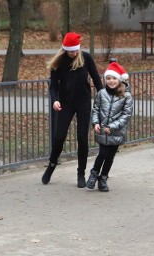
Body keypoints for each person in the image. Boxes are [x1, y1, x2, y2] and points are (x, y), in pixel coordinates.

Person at [43, 32, 104, 187]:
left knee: (82, 138)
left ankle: (81, 173)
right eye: (72, 51)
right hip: (66, 103)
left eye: (76, 50)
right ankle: (51, 166)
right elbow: (53, 87)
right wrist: (55, 100)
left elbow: (96, 78)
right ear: (65, 50)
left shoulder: (85, 58)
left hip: (83, 102)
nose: (75, 53)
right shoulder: (59, 63)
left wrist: (103, 95)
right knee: (59, 137)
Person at [86, 62, 134, 192]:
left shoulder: (126, 96)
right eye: (108, 78)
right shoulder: (101, 93)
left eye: (114, 78)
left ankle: (103, 178)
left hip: (116, 131)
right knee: (102, 153)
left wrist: (112, 127)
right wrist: (95, 122)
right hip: (102, 129)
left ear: (119, 79)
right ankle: (94, 173)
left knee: (110, 156)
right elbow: (96, 109)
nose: (111, 81)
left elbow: (126, 115)